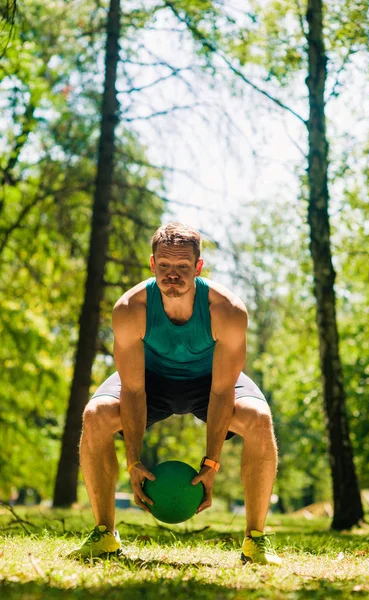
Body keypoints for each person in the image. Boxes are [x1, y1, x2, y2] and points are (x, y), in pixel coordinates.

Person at [69, 222, 281, 565]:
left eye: (183, 267)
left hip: (210, 381)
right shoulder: (130, 309)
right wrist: (134, 460)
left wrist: (211, 463)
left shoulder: (226, 311)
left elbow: (222, 391)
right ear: (152, 265)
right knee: (96, 415)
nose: (172, 275)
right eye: (164, 266)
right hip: (150, 380)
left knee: (258, 418)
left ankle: (255, 541)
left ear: (198, 267)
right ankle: (104, 535)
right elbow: (135, 390)